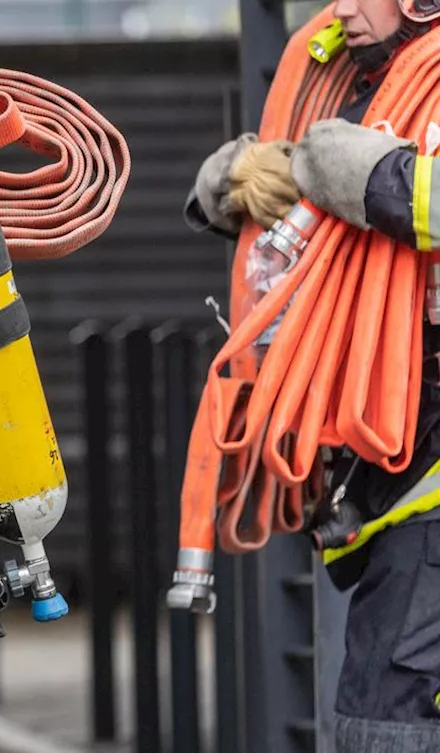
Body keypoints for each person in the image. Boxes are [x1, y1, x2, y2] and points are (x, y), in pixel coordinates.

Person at [185, 2, 440, 750]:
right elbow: (310, 196)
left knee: (384, 721)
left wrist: (377, 179)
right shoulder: (344, 67)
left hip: (420, 476)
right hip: (383, 478)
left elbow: (371, 186)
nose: (345, 8)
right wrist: (239, 186)